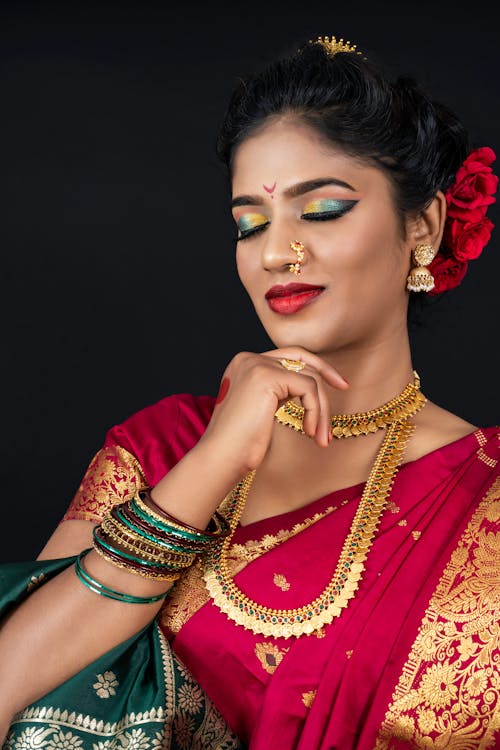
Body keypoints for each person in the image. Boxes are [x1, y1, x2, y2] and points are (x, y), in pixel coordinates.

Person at [0, 34, 498, 750]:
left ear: (422, 225)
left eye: (322, 210)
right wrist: (213, 461)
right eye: (249, 223)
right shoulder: (163, 448)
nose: (274, 252)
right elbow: (9, 686)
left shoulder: (482, 500)